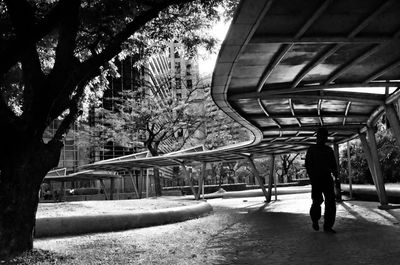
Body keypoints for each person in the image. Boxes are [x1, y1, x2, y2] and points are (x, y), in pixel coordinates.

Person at [305, 128, 338, 233]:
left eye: (325, 136)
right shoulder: (312, 149)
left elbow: (334, 166)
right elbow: (308, 165)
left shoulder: (328, 150)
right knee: (317, 201)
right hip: (317, 180)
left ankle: (327, 226)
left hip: (326, 179)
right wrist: (313, 178)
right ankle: (315, 221)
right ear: (318, 137)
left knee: (330, 203)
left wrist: (336, 177)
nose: (324, 138)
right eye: (322, 136)